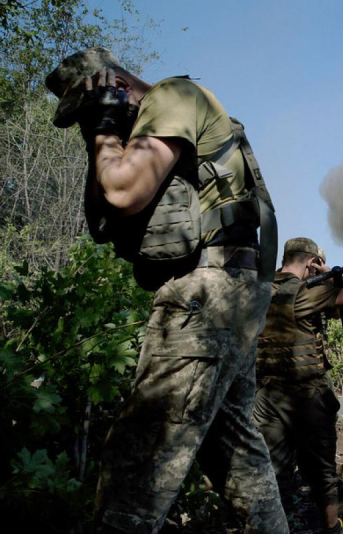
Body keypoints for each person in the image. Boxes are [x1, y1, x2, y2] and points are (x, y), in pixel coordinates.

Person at [45, 48, 288, 533]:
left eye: (85, 107)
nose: (84, 125)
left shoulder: (173, 97)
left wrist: (105, 129)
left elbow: (121, 190)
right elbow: (103, 219)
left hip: (205, 296)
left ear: (108, 84)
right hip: (231, 293)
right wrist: (106, 130)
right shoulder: (170, 115)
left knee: (139, 457)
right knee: (237, 453)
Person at [253, 237, 343, 534]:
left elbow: (331, 312)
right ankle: (331, 526)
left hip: (266, 396)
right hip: (308, 396)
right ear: (311, 262)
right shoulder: (304, 292)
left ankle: (277, 525)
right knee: (321, 468)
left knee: (273, 467)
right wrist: (332, 277)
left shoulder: (260, 288)